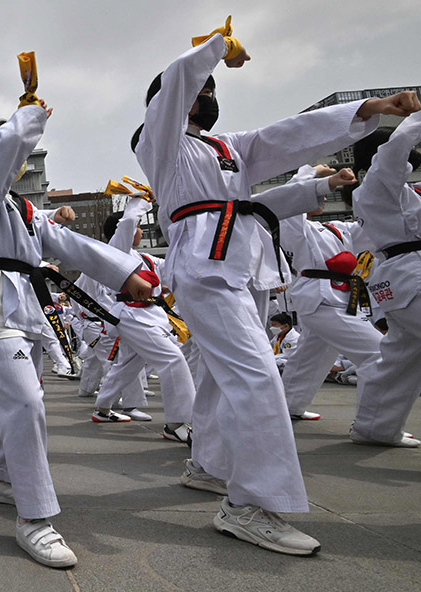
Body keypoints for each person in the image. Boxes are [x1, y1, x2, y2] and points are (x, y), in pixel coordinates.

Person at [134, 16, 418, 555]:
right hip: (205, 262)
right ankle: (249, 505)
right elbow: (174, 84)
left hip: (240, 265)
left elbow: (285, 142)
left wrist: (369, 112)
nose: (208, 95)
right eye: (202, 90)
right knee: (259, 375)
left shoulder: (228, 147)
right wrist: (214, 50)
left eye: (212, 89)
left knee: (223, 377)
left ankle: (208, 465)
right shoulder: (161, 141)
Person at [0, 88, 146, 567]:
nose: (18, 162)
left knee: (25, 399)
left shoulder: (18, 207)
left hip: (27, 305)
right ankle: (35, 518)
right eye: (6, 150)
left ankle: (0, 479)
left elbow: (66, 243)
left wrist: (127, 274)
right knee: (26, 402)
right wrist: (25, 118)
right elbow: (0, 158)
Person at [278, 164, 382, 422]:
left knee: (311, 358)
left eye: (325, 194)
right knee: (379, 354)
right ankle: (373, 424)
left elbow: (375, 226)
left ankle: (286, 406)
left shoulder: (339, 228)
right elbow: (289, 196)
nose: (324, 198)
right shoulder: (295, 227)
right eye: (317, 193)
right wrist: (309, 172)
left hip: (343, 297)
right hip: (320, 298)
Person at [91, 196, 195, 441]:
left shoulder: (146, 259)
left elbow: (173, 265)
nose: (139, 230)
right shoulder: (117, 251)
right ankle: (177, 423)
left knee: (129, 365)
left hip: (150, 316)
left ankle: (103, 407)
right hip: (132, 316)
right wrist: (141, 201)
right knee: (173, 360)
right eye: (139, 226)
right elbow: (127, 222)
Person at [350, 110, 421, 446]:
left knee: (400, 362)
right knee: (400, 359)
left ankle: (375, 428)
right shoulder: (379, 180)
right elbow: (398, 145)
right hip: (411, 273)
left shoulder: (380, 194)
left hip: (397, 277)